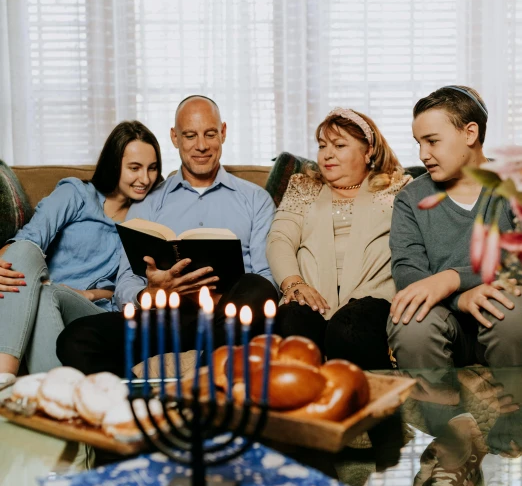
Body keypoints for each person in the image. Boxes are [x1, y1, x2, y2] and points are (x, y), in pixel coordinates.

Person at [56, 95, 278, 376]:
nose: (201, 145)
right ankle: (140, 404)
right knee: (77, 337)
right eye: (190, 135)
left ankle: (201, 384)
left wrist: (223, 297)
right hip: (167, 317)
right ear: (175, 137)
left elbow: (267, 279)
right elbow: (125, 279)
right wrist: (151, 292)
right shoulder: (148, 202)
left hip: (230, 316)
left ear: (223, 132)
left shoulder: (255, 199)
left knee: (257, 286)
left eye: (210, 134)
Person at [0, 121, 162, 375]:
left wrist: (91, 294)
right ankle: (6, 377)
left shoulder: (145, 221)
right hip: (38, 294)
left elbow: (126, 288)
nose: (145, 179)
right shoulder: (76, 194)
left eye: (152, 169)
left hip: (90, 313)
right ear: (114, 164)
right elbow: (30, 238)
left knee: (49, 293)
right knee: (26, 255)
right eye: (135, 168)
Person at [387, 85, 522, 371]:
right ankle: (440, 413)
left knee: (510, 310)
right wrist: (461, 298)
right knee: (410, 318)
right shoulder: (410, 199)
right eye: (418, 143)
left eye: (432, 141)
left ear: (470, 133)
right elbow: (407, 271)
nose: (423, 154)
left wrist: (453, 278)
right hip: (446, 322)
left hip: (504, 317)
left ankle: (512, 411)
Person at [266, 107, 410, 368]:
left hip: (371, 299)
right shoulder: (304, 186)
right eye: (322, 146)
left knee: (349, 329)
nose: (327, 154)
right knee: (289, 321)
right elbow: (280, 239)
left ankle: (369, 405)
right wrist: (293, 284)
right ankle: (301, 405)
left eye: (339, 145)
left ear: (368, 152)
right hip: (310, 296)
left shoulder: (397, 188)